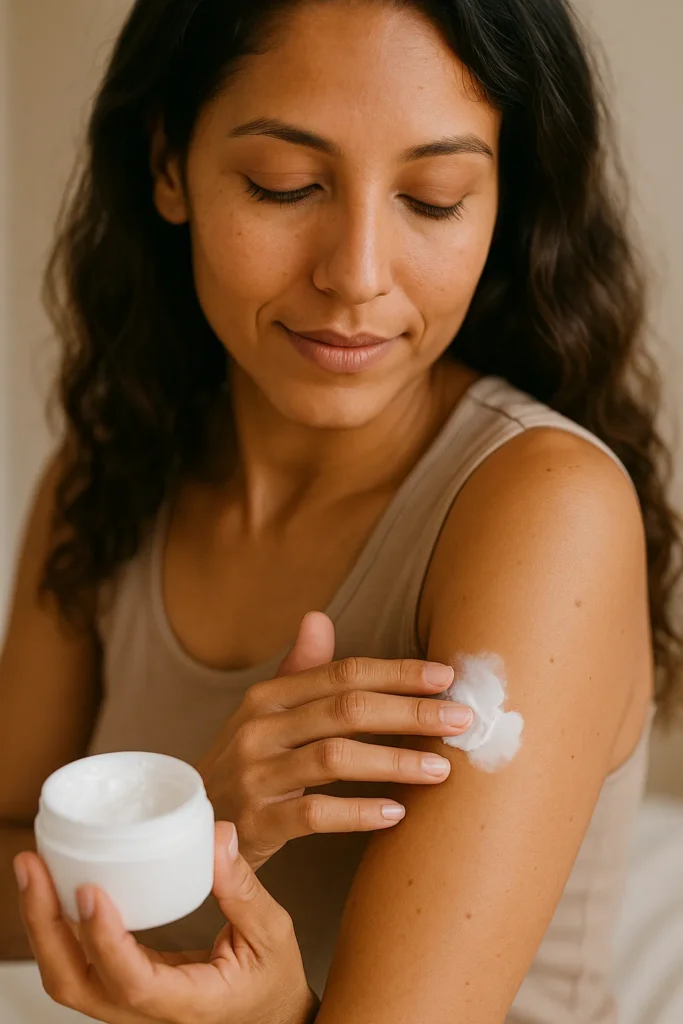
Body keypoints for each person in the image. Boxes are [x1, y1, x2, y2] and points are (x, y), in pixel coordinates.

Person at [2, 0, 681, 1020]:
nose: (355, 276)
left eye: (435, 198)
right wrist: (194, 825)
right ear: (169, 166)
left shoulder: (546, 514)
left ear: (503, 204)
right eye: (286, 185)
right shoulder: (109, 474)